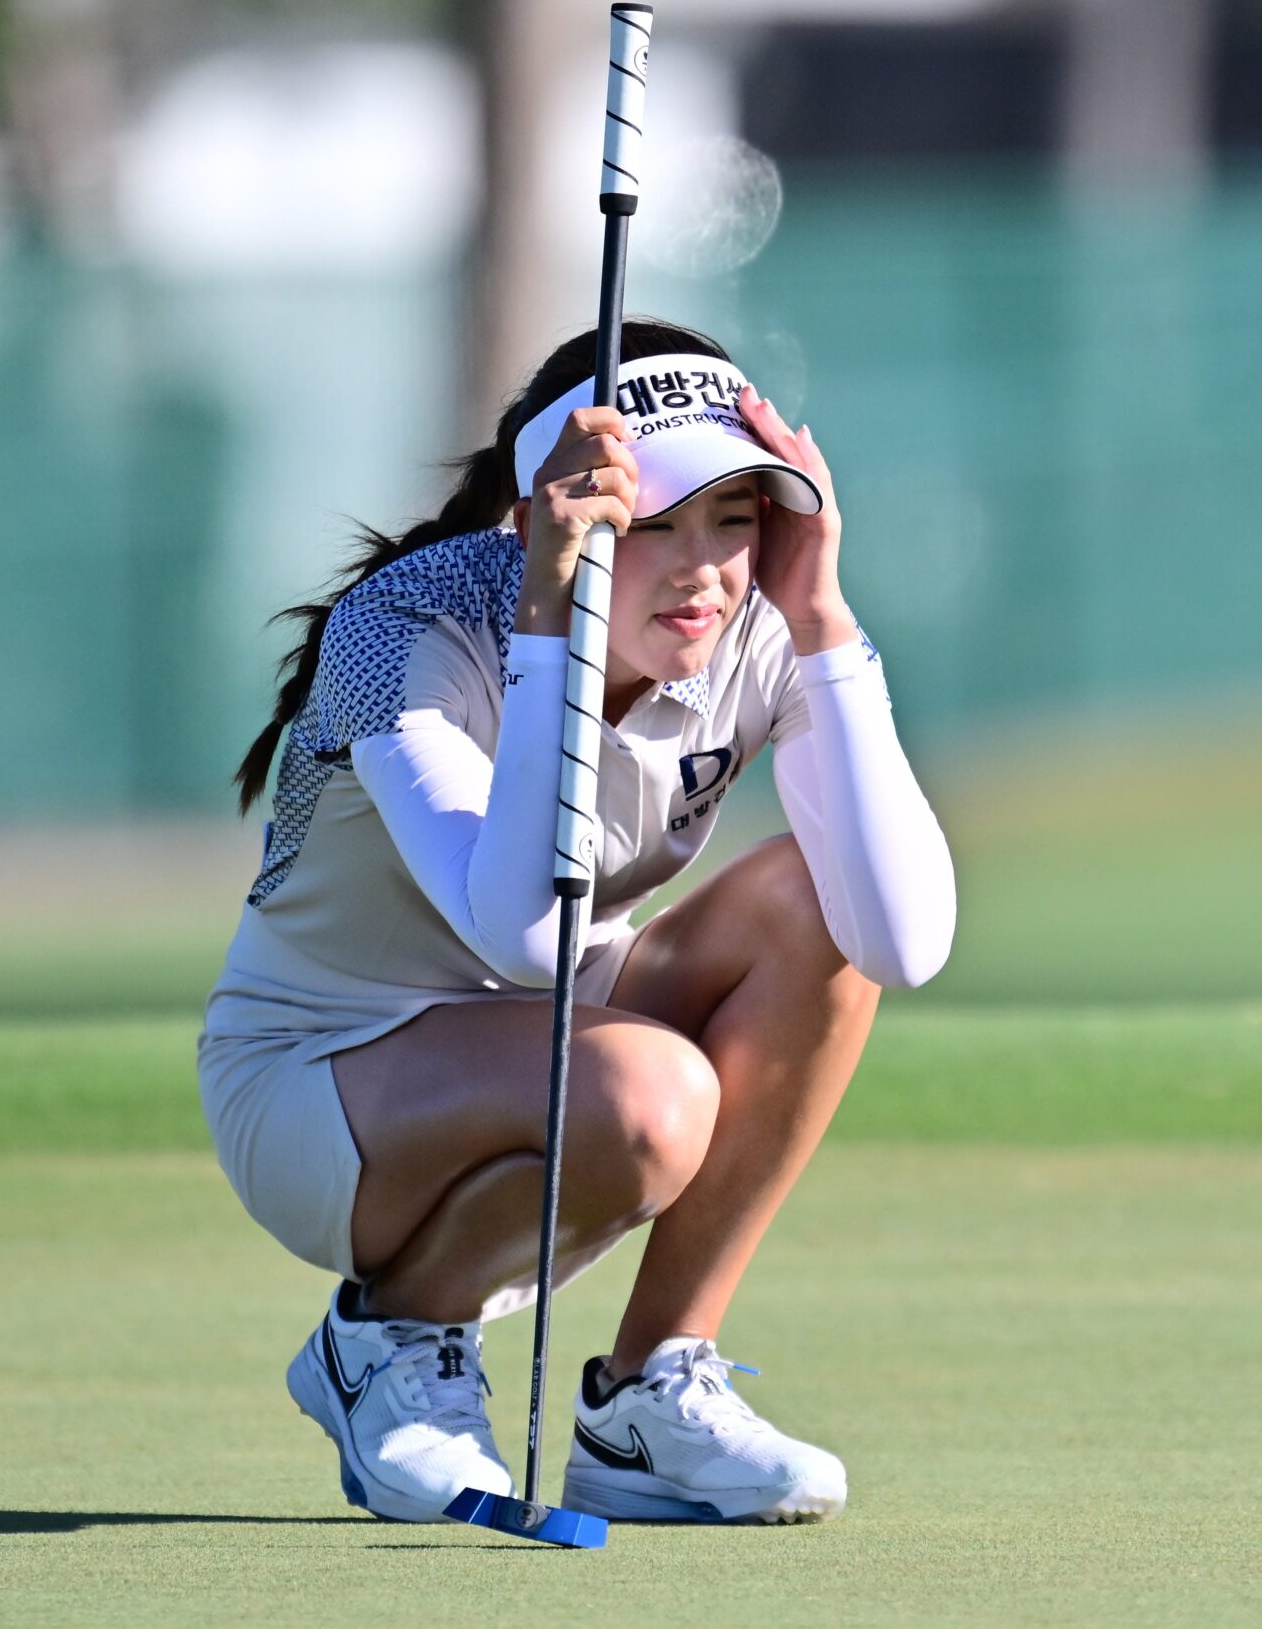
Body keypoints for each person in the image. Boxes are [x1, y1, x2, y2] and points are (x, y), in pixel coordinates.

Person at [197, 319, 955, 1527]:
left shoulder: (756, 620)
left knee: (814, 907)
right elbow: (526, 939)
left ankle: (647, 1395)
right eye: (648, 520)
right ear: (546, 512)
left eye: (735, 517)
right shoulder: (406, 630)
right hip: (323, 1087)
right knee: (651, 1100)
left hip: (573, 1043)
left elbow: (901, 939)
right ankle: (388, 1343)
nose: (701, 567)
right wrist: (552, 620)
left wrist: (820, 617)